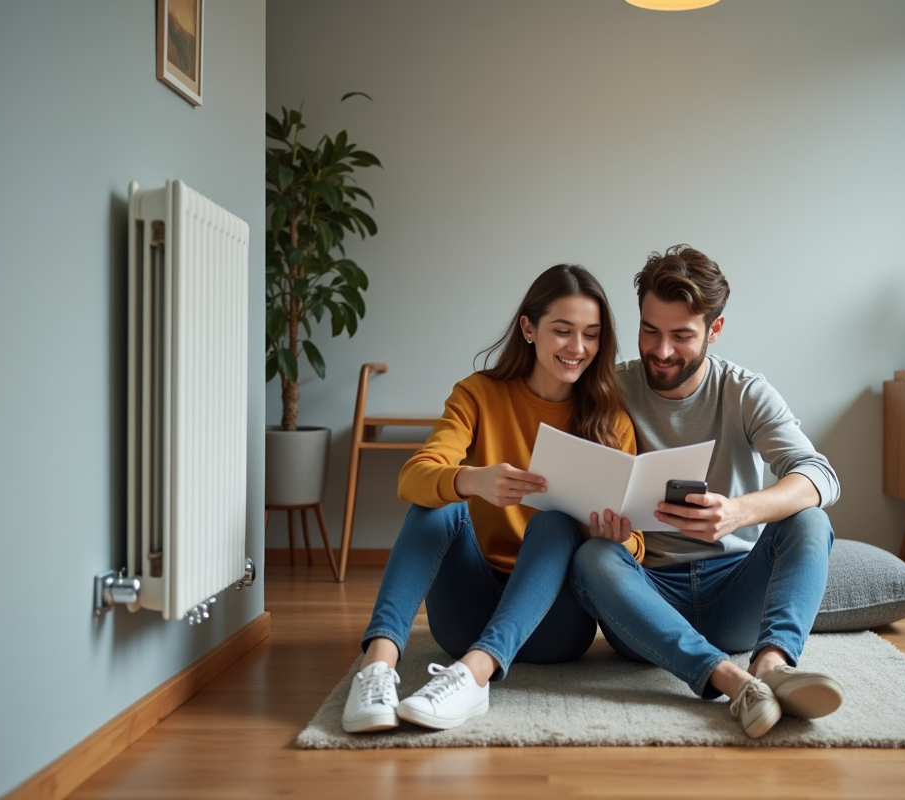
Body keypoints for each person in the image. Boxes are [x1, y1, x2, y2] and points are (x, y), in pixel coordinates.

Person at [342, 264, 642, 734]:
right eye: (562, 331)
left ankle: (475, 675)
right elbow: (413, 478)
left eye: (591, 334)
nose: (577, 348)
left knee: (554, 522)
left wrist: (609, 536)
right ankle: (376, 666)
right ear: (528, 327)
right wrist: (472, 480)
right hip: (466, 611)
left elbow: (637, 544)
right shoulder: (478, 394)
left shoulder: (610, 418)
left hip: (553, 626)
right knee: (438, 501)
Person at [571, 244, 844, 739]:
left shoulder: (744, 391)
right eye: (649, 330)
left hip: (735, 591)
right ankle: (732, 681)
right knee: (592, 557)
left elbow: (819, 475)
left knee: (811, 519)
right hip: (646, 597)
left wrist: (740, 512)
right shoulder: (609, 387)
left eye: (682, 335)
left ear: (715, 330)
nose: (662, 350)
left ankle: (771, 666)